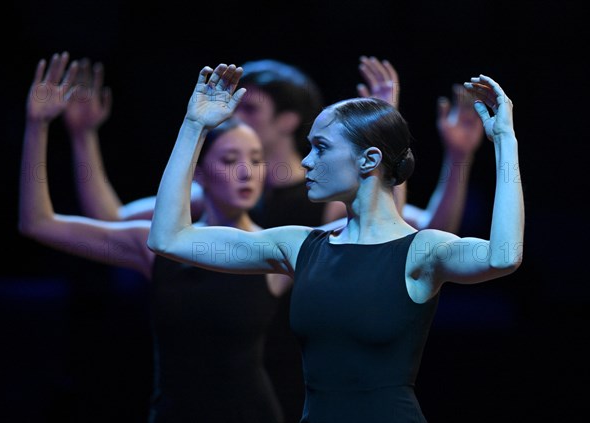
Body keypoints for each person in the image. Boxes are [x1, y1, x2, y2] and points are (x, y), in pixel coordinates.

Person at [147, 63, 524, 423]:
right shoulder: (300, 246)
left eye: (321, 148)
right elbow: (169, 237)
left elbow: (503, 255)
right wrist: (194, 126)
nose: (307, 162)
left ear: (368, 159)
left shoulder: (421, 251)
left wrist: (504, 140)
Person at [18, 52, 290, 423]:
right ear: (199, 173)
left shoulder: (278, 248)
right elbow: (38, 223)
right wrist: (38, 128)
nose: (247, 172)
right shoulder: (157, 244)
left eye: (257, 159)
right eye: (229, 161)